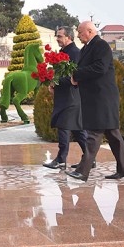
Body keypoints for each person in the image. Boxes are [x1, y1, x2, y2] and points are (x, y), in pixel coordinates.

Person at [66, 20, 124, 183]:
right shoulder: (86, 48)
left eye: (80, 32)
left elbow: (100, 68)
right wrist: (75, 76)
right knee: (112, 134)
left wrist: (77, 75)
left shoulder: (101, 45)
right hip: (95, 97)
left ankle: (83, 171)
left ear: (89, 31)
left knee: (94, 133)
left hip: (102, 98)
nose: (78, 35)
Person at [42, 26, 89, 170]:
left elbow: (74, 77)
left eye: (60, 36)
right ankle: (90, 158)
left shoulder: (75, 53)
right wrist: (52, 82)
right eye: (57, 36)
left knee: (64, 126)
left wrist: (55, 82)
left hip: (71, 97)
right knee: (78, 130)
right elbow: (60, 75)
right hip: (65, 96)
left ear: (68, 37)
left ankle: (61, 159)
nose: (57, 38)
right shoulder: (63, 52)